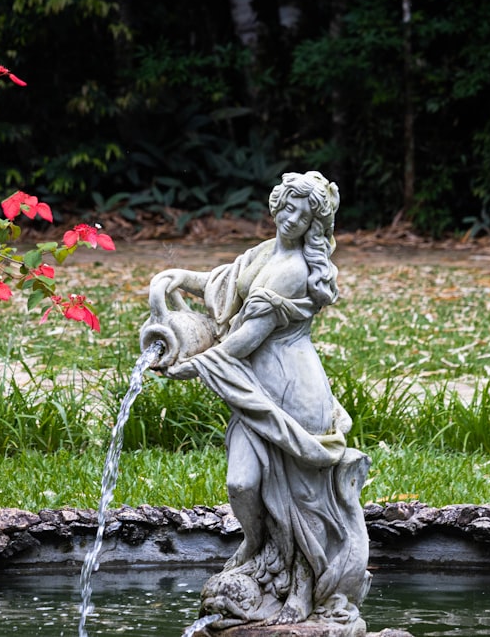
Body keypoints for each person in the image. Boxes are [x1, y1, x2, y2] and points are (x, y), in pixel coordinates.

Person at [146, 171, 370, 630]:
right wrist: (178, 277)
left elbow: (244, 340)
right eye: (286, 206)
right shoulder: (264, 253)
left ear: (314, 223)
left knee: (302, 498)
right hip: (253, 387)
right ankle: (258, 549)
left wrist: (194, 366)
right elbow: (224, 283)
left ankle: (304, 585)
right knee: (243, 485)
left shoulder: (293, 271)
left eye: (302, 213)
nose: (290, 217)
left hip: (293, 389)